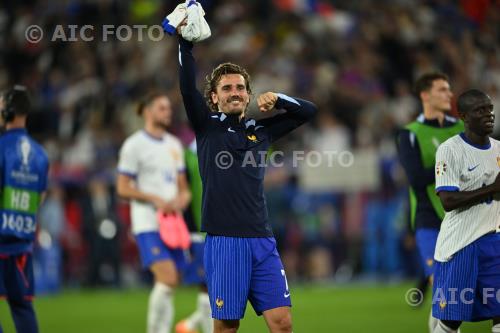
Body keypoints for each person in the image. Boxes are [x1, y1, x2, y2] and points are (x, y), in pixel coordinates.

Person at [177, 31, 317, 332]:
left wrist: (280, 98)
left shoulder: (261, 131)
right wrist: (185, 43)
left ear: (249, 95)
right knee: (227, 326)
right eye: (226, 88)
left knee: (282, 323)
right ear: (214, 97)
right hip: (225, 240)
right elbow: (187, 88)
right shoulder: (207, 127)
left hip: (262, 238)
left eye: (240, 87)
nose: (234, 92)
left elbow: (308, 111)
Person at [116, 92, 191, 333]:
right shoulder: (134, 145)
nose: (168, 112)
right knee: (167, 278)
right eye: (161, 108)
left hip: (173, 224)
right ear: (147, 111)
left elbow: (184, 188)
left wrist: (181, 200)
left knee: (171, 282)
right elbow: (122, 187)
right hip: (147, 223)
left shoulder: (174, 144)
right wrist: (154, 199)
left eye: (168, 108)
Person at [396, 72, 464, 332]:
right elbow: (414, 178)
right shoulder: (410, 133)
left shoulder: (461, 128)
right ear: (425, 95)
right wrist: (453, 169)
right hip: (428, 218)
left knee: (457, 290)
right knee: (443, 288)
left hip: (461, 217)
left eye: (449, 89)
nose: (449, 94)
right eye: (442, 90)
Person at [432, 89, 500, 333]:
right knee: (452, 320)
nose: (489, 114)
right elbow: (448, 201)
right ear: (463, 116)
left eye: (490, 108)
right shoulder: (450, 150)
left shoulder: (499, 149)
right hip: (462, 245)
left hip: (494, 241)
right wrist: (492, 189)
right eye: (480, 110)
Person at [0, 85, 50, 333]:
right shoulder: (41, 155)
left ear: (7, 112)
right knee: (21, 307)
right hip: (22, 244)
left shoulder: (1, 148)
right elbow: (40, 197)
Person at [175, 138, 213, 333]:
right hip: (199, 230)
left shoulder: (225, 142)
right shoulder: (187, 154)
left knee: (234, 284)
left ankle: (190, 323)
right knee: (206, 284)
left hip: (229, 226)